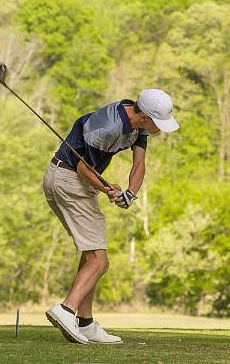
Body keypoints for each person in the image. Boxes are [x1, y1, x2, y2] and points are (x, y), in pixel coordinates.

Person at [43, 89, 179, 344]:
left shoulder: (139, 126)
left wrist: (130, 193)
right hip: (68, 179)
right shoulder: (108, 127)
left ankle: (86, 323)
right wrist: (107, 189)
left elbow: (139, 165)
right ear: (146, 117)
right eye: (158, 124)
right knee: (100, 261)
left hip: (70, 179)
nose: (160, 129)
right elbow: (84, 168)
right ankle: (66, 309)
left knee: (91, 253)